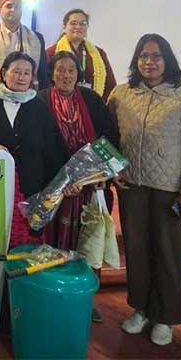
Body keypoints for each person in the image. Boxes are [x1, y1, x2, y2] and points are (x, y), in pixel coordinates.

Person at [108, 34, 181, 346]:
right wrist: (113, 169)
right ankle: (142, 309)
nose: (149, 62)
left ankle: (166, 317)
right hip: (132, 187)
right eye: (143, 56)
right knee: (136, 252)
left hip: (171, 192)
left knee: (170, 254)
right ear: (136, 61)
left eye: (156, 56)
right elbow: (108, 138)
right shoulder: (121, 94)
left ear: (168, 60)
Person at [38, 51, 119, 323]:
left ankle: (85, 299)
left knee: (87, 243)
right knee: (54, 242)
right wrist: (61, 178)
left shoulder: (92, 101)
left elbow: (110, 137)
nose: (66, 75)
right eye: (60, 69)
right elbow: (36, 144)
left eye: (71, 69)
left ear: (78, 73)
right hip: (55, 187)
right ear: (52, 73)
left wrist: (102, 173)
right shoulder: (39, 101)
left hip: (90, 188)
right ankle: (53, 294)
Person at [0, 51, 66, 247]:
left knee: (26, 246)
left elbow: (52, 148)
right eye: (16, 71)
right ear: (3, 73)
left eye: (27, 73)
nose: (21, 77)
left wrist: (59, 184)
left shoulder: (39, 105)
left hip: (30, 190)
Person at [0, 0, 49, 90]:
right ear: (0, 10)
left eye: (17, 7)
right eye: (9, 6)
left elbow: (42, 74)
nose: (13, 10)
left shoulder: (36, 38)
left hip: (29, 96)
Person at [46, 9, 117, 100]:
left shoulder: (99, 54)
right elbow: (47, 83)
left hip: (93, 104)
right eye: (73, 23)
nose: (78, 27)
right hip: (61, 104)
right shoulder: (52, 52)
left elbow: (110, 85)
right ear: (64, 27)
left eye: (83, 23)